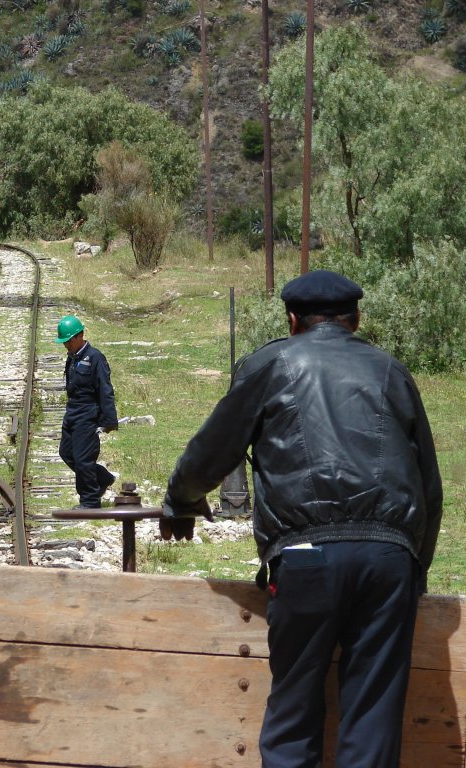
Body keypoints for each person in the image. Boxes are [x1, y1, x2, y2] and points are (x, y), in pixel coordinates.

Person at [161, 270, 442, 768]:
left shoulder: (271, 363)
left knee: (293, 718)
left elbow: (213, 449)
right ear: (357, 319)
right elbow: (429, 483)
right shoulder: (391, 370)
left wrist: (181, 501)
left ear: (292, 321)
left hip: (306, 558)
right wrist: (414, 571)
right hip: (388, 558)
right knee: (373, 724)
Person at [56, 315, 119, 509]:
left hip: (87, 415)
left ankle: (90, 500)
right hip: (72, 413)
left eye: (68, 341)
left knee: (84, 459)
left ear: (79, 336)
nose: (66, 345)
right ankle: (102, 477)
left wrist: (109, 420)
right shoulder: (72, 358)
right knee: (66, 453)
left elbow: (105, 390)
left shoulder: (95, 358)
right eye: (64, 342)